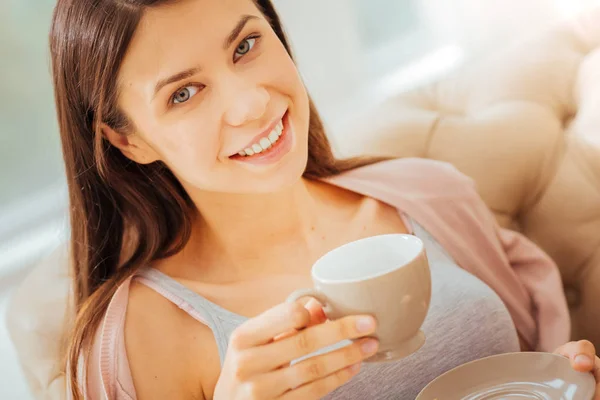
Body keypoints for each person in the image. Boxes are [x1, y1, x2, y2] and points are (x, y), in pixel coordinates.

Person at [49, 0, 600, 398]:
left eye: (245, 46)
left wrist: (563, 375)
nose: (251, 104)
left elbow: (538, 360)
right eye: (184, 93)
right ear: (128, 139)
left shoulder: (429, 195)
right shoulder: (142, 335)